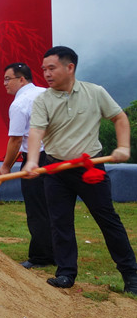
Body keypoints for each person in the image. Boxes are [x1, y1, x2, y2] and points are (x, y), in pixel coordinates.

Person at [24, 46, 137, 293]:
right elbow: (36, 131)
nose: (46, 74)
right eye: (44, 69)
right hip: (55, 168)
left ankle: (131, 274)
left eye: (51, 68)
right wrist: (32, 161)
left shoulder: (95, 92)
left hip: (89, 167)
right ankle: (65, 273)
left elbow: (119, 118)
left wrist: (123, 146)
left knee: (107, 219)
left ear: (70, 67)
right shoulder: (42, 99)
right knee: (60, 222)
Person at [0, 62, 53, 269]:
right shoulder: (45, 93)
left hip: (37, 158)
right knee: (53, 208)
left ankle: (41, 256)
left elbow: (14, 140)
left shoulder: (20, 103)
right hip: (56, 156)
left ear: (22, 79)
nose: (5, 84)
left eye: (8, 79)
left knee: (37, 209)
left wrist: (5, 167)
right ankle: (55, 252)